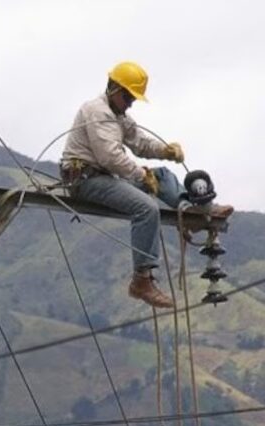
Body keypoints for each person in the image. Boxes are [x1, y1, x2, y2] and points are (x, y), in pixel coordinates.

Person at [60, 61, 233, 308]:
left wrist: (165, 151)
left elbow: (139, 142)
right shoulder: (97, 112)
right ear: (113, 88)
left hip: (105, 175)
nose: (130, 102)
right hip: (85, 180)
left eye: (132, 98)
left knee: (161, 175)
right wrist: (141, 175)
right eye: (128, 96)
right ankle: (141, 280)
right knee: (145, 209)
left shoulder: (118, 115)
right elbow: (109, 156)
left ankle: (193, 210)